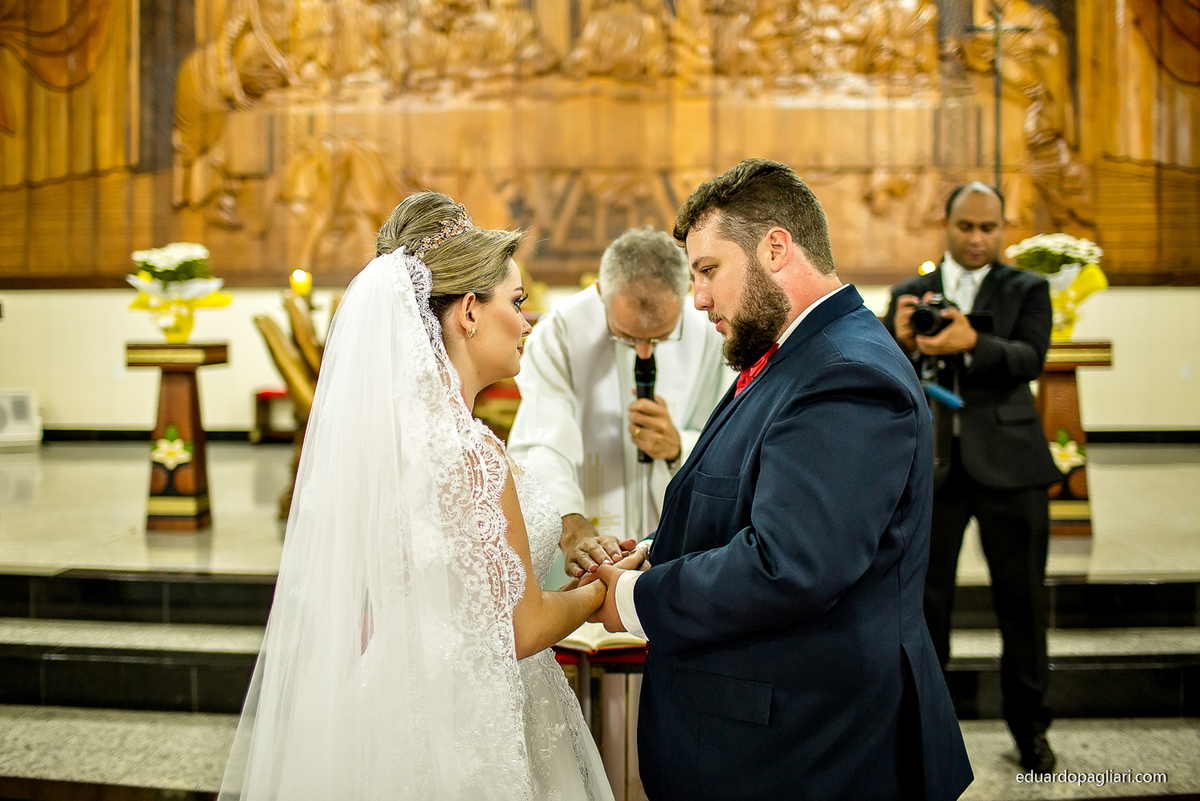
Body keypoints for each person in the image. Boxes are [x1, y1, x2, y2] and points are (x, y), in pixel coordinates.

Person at [218, 191, 635, 800]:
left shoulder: (390, 441)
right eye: (516, 302)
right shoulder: (471, 453)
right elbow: (522, 629)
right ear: (468, 312)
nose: (527, 322)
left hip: (393, 703)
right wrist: (602, 589)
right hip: (473, 726)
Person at [591, 159, 974, 800]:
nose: (699, 299)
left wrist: (636, 599)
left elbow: (791, 563)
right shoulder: (796, 353)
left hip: (809, 752)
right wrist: (657, 552)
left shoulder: (846, 372)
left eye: (708, 270)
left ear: (775, 248)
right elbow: (758, 502)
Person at [883, 181, 1062, 774]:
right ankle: (927, 729)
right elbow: (880, 370)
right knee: (925, 603)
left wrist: (974, 343)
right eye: (967, 226)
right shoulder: (910, 294)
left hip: (1013, 465)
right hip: (931, 468)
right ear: (946, 224)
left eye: (989, 227)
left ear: (1003, 228)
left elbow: (1030, 359)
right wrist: (900, 340)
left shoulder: (1027, 288)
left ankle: (1031, 729)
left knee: (1023, 602)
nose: (978, 238)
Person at [508, 227, 731, 584]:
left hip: (678, 547)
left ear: (686, 292)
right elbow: (541, 442)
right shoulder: (561, 331)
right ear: (601, 292)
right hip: (587, 535)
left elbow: (733, 442)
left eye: (660, 337)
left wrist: (678, 446)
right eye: (627, 336)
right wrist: (572, 527)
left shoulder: (710, 333)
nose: (644, 351)